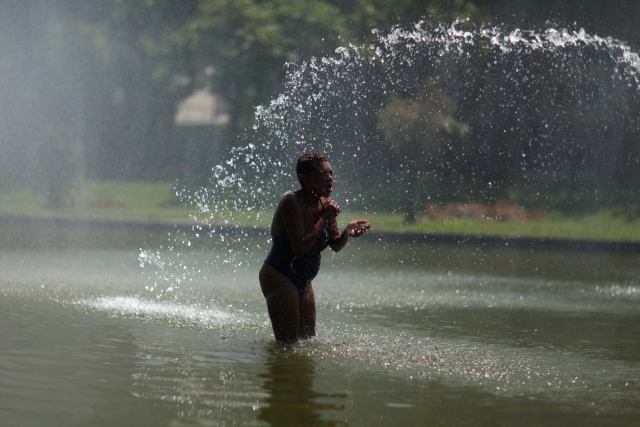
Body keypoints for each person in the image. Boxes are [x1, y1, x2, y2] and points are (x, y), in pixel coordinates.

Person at [259, 153, 370, 343]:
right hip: (280, 275)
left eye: (331, 173)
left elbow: (335, 245)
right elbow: (300, 247)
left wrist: (345, 233)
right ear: (306, 178)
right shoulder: (291, 201)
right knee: (287, 347)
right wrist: (325, 218)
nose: (330, 177)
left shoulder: (325, 203)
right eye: (323, 173)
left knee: (307, 342)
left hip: (304, 280)